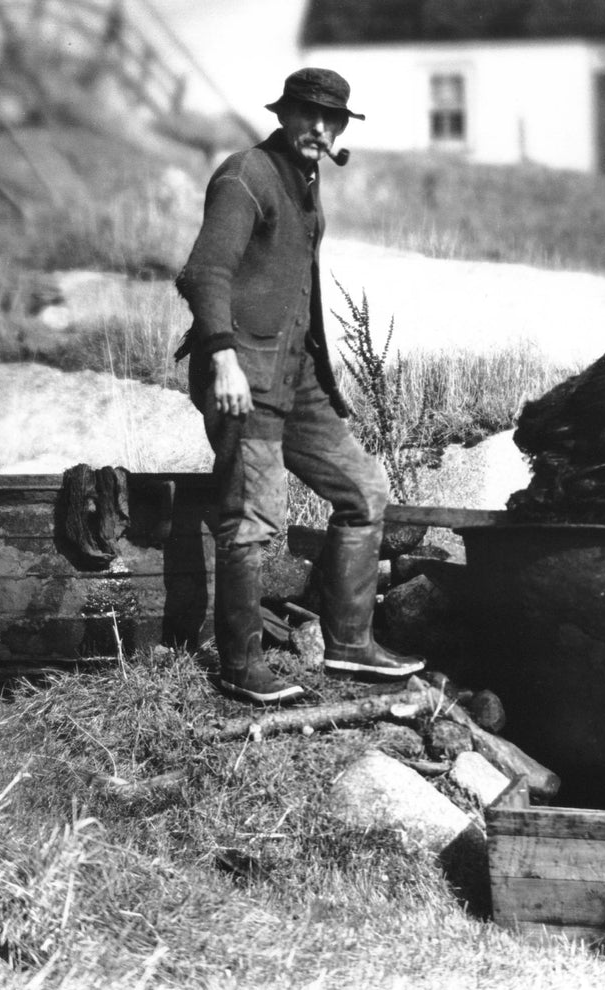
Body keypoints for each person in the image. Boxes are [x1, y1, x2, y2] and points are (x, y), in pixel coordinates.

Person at [174, 68, 425, 705]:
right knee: (255, 520)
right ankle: (241, 666)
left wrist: (326, 387)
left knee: (364, 488)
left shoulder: (305, 181)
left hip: (297, 378)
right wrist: (222, 358)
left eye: (332, 119)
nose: (320, 128)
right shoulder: (245, 175)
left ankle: (348, 644)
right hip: (243, 378)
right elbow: (204, 274)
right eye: (308, 114)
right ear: (283, 114)